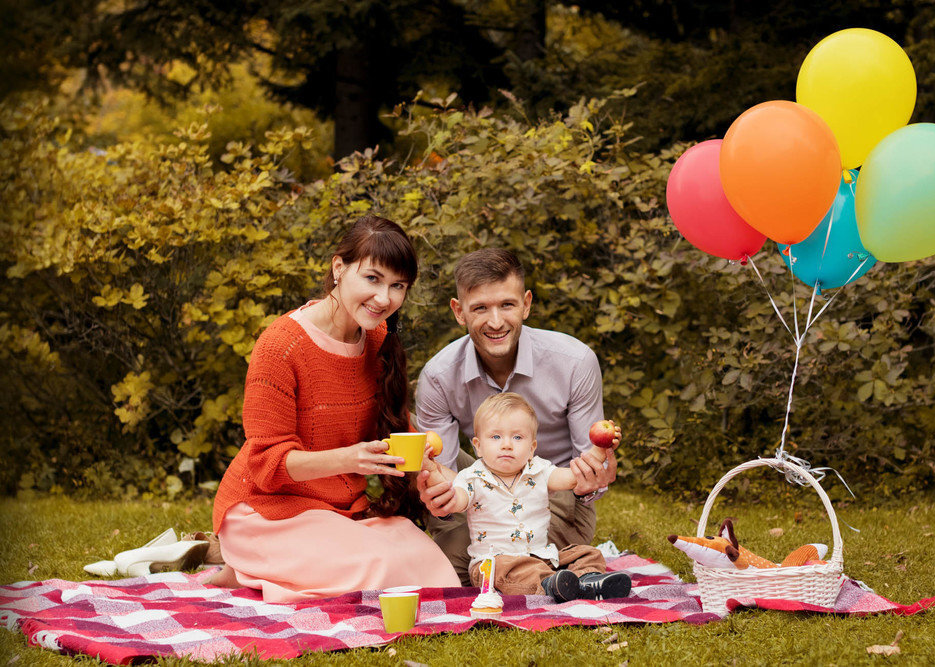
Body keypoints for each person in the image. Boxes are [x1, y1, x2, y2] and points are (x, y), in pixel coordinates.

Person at [208, 215, 460, 602]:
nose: (383, 298)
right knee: (377, 569)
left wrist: (429, 472)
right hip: (264, 511)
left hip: (336, 511)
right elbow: (266, 463)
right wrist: (350, 459)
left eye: (397, 286)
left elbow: (397, 436)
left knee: (430, 563)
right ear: (338, 268)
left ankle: (262, 571)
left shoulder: (377, 341)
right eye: (372, 278)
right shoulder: (281, 346)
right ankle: (247, 566)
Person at [415, 248, 617, 584]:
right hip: (480, 493)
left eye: (506, 305)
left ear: (525, 303)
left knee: (488, 566)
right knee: (449, 564)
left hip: (555, 496)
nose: (495, 322)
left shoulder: (575, 362)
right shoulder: (438, 376)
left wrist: (598, 473)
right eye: (480, 308)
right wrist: (440, 493)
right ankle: (544, 573)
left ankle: (550, 568)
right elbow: (445, 471)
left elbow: (592, 466)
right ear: (459, 311)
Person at [421, 393, 630, 601]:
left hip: (542, 557)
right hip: (493, 565)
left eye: (517, 437)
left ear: (532, 448)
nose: (506, 445)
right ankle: (553, 585)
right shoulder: (472, 478)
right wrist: (432, 469)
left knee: (585, 553)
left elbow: (573, 477)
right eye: (495, 437)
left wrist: (600, 448)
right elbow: (454, 499)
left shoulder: (539, 470)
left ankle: (588, 581)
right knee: (514, 569)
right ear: (478, 446)